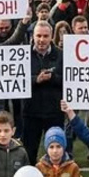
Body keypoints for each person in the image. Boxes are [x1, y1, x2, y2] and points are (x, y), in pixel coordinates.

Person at [22, 22, 63, 162]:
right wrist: (35, 80)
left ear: (52, 36)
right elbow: (16, 80)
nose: (42, 39)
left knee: (56, 152)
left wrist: (52, 78)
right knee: (29, 152)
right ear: (32, 36)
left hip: (54, 112)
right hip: (30, 113)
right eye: (38, 35)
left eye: (45, 36)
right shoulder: (23, 55)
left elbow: (69, 80)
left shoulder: (60, 55)